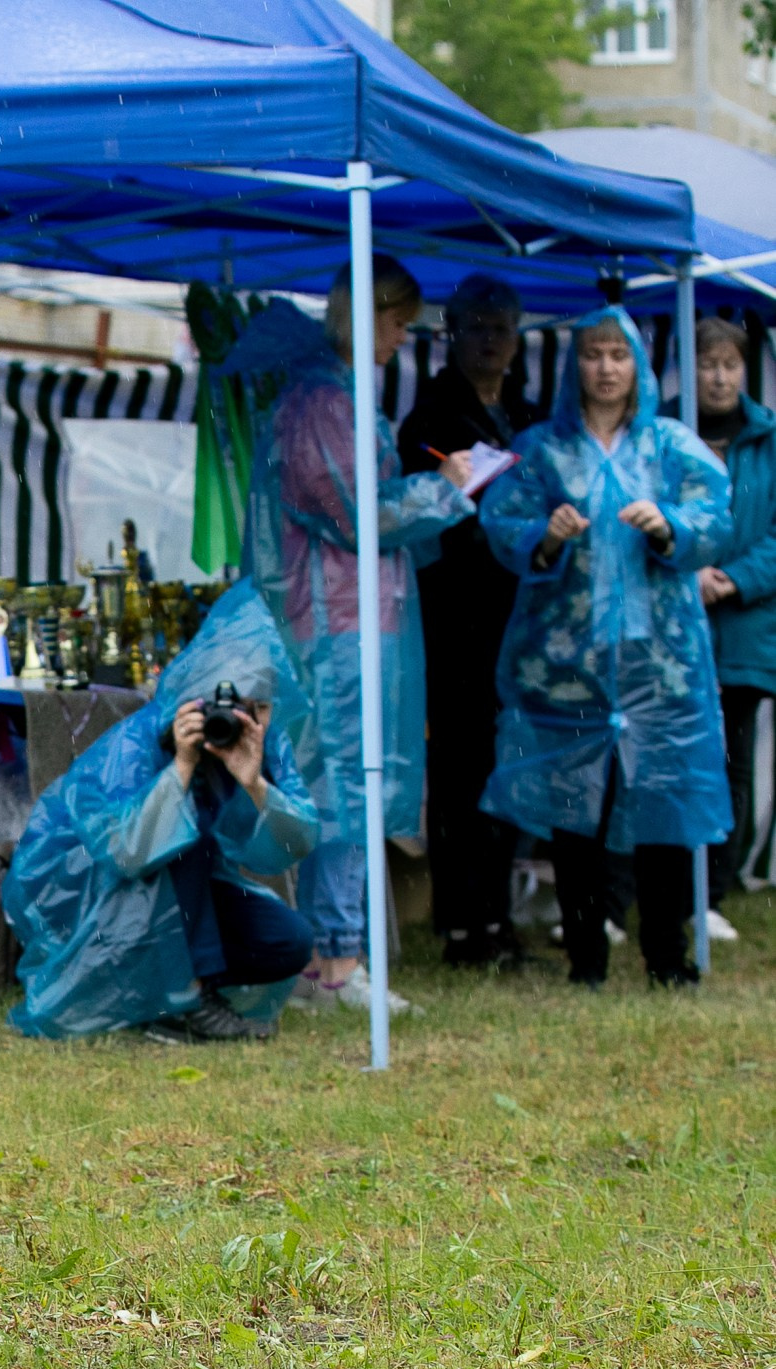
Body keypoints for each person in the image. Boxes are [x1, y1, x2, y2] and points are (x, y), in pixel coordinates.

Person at [235, 257, 476, 1015]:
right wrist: (450, 484)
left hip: (350, 620)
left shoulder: (333, 395)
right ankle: (334, 964)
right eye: (399, 323)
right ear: (366, 315)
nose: (403, 339)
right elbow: (356, 511)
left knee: (347, 783)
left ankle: (334, 955)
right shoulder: (322, 401)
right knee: (344, 783)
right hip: (335, 626)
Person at [479, 306, 731, 987]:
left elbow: (716, 514)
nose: (607, 367)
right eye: (593, 353)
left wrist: (669, 525)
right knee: (574, 811)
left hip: (660, 665)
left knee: (664, 805)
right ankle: (586, 956)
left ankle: (667, 955)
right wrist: (549, 535)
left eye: (620, 353)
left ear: (639, 364)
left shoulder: (672, 446)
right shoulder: (542, 450)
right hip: (567, 667)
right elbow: (501, 518)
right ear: (575, 364)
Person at [7, 583, 320, 1042]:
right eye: (223, 705)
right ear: (194, 699)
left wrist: (254, 783)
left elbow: (296, 843)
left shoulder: (264, 747)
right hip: (87, 898)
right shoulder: (139, 744)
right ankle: (187, 1000)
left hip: (171, 901)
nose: (234, 721)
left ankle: (164, 988)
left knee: (287, 940)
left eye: (253, 707)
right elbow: (126, 852)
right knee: (179, 832)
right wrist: (182, 767)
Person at [398, 274, 538, 967]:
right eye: (477, 326)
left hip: (521, 615)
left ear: (518, 338)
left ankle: (499, 915)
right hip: (455, 616)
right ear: (452, 331)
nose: (490, 340)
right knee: (458, 768)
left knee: (511, 764)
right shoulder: (429, 418)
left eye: (501, 327)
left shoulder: (529, 413)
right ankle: (460, 920)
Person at [690, 316, 776, 934]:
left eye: (730, 365)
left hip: (743, 625)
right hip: (674, 618)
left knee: (733, 759)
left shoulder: (769, 440)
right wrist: (688, 572)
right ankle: (650, 885)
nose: (719, 377)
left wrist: (732, 578)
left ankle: (712, 895)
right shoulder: (663, 426)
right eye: (707, 364)